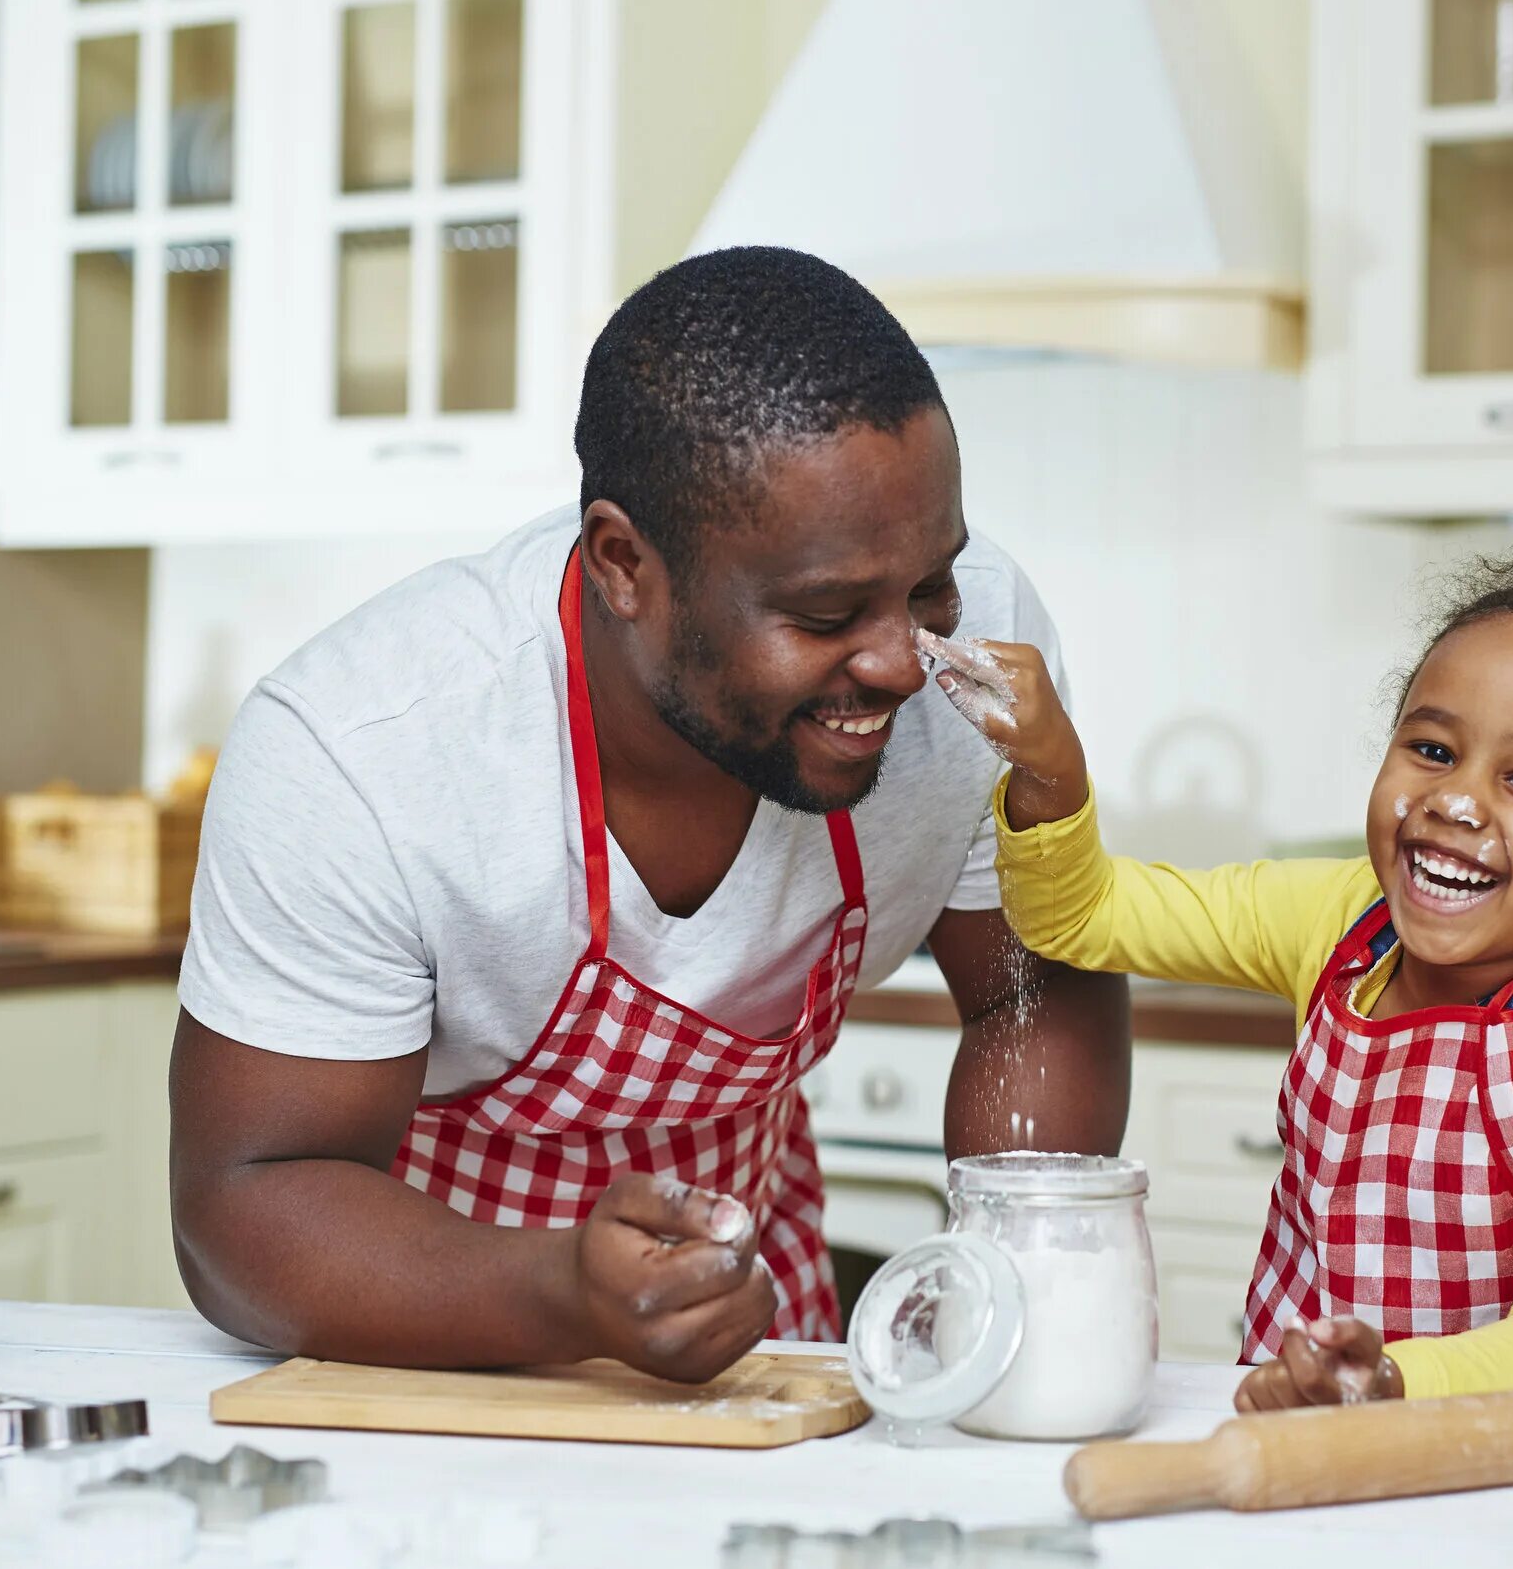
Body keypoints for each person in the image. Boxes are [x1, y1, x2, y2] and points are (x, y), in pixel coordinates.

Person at [170, 247, 1129, 1382]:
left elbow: (1036, 989)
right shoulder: (365, 753)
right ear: (624, 563)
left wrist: (1001, 1299)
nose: (902, 662)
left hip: (755, 1333)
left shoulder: (970, 667)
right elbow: (245, 1205)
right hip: (417, 1347)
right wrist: (562, 1290)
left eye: (929, 587)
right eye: (825, 612)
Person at [921, 560, 1513, 1408]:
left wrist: (1382, 1382)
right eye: (1434, 750)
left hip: (1488, 1471)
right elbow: (1083, 917)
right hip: (1298, 1435)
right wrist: (1052, 768)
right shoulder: (1339, 917)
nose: (1456, 800)